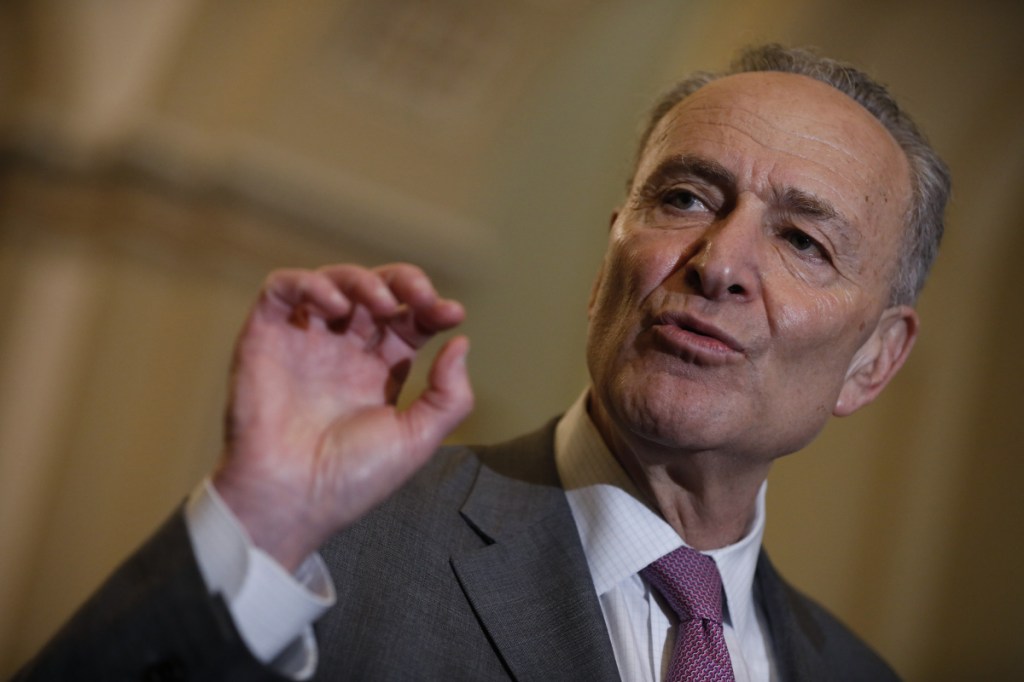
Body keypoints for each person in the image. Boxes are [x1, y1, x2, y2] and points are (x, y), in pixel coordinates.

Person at [13, 44, 950, 681]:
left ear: (873, 360)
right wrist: (254, 530)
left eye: (802, 242)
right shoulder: (328, 553)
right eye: (687, 197)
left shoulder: (853, 672)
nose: (720, 264)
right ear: (606, 262)